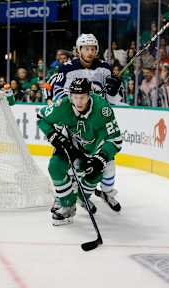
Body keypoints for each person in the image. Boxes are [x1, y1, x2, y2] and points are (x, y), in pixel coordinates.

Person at [45, 34, 124, 212]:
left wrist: (115, 89)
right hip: (73, 124)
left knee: (107, 163)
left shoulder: (105, 68)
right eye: (86, 48)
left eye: (93, 48)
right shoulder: (67, 68)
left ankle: (106, 193)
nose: (90, 52)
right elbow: (55, 93)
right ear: (78, 50)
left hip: (95, 124)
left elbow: (115, 100)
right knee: (66, 161)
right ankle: (63, 198)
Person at [37, 78, 122, 225]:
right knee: (55, 167)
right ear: (70, 96)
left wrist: (100, 158)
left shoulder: (103, 109)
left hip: (93, 150)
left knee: (95, 173)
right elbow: (41, 117)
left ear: (89, 95)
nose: (78, 102)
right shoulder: (63, 105)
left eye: (82, 97)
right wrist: (52, 134)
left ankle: (81, 197)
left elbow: (116, 140)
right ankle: (67, 204)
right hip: (70, 145)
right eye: (75, 97)